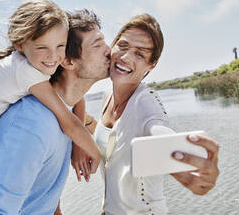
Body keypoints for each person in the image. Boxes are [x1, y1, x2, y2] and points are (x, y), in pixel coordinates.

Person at [0, 0, 101, 215]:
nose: (53, 56)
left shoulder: (36, 64)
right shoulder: (28, 74)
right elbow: (66, 120)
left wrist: (78, 144)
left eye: (60, 46)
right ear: (20, 44)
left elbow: (74, 102)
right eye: (42, 47)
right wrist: (94, 150)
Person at [71, 14, 219, 214]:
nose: (126, 57)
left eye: (140, 54)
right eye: (122, 46)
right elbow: (113, 137)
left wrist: (185, 161)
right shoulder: (107, 95)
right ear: (112, 46)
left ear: (152, 64)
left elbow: (158, 130)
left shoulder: (146, 102)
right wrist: (78, 134)